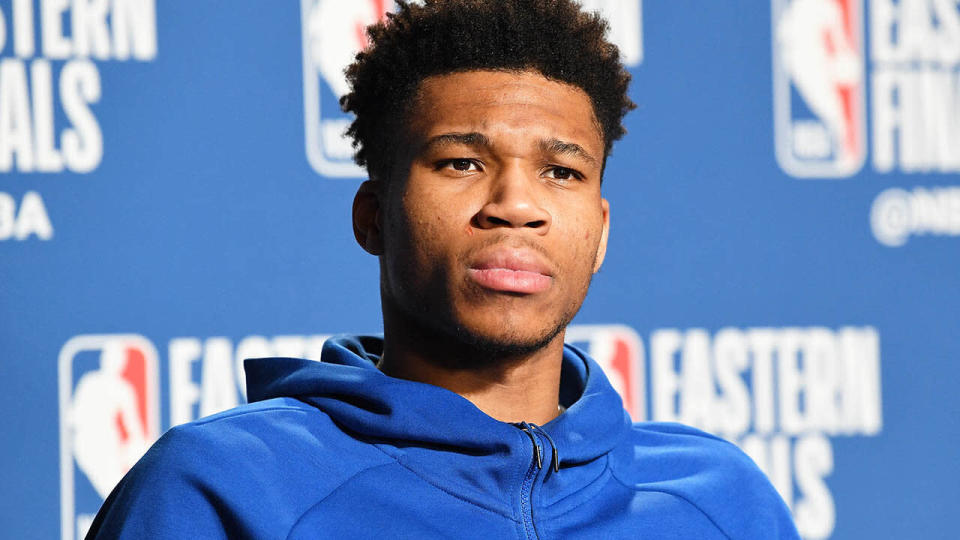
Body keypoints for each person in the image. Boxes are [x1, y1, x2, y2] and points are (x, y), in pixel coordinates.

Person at [88, 1, 800, 538]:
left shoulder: (722, 501)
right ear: (373, 216)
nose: (516, 205)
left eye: (561, 170)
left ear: (601, 232)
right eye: (462, 163)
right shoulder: (226, 488)